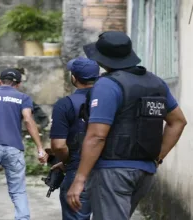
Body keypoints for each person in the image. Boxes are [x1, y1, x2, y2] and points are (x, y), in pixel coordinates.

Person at [66, 31, 187, 220]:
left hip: (113, 172)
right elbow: (178, 121)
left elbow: (97, 136)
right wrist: (157, 157)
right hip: (144, 172)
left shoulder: (107, 85)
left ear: (102, 59)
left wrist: (79, 179)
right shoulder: (156, 83)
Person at [0, 68, 48, 220]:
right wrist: (40, 148)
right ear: (18, 84)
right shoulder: (23, 98)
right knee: (18, 190)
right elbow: (28, 120)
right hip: (14, 148)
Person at [50, 57, 99, 220]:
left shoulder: (65, 104)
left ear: (74, 78)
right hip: (109, 171)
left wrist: (66, 162)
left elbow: (58, 146)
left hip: (77, 170)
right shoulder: (111, 100)